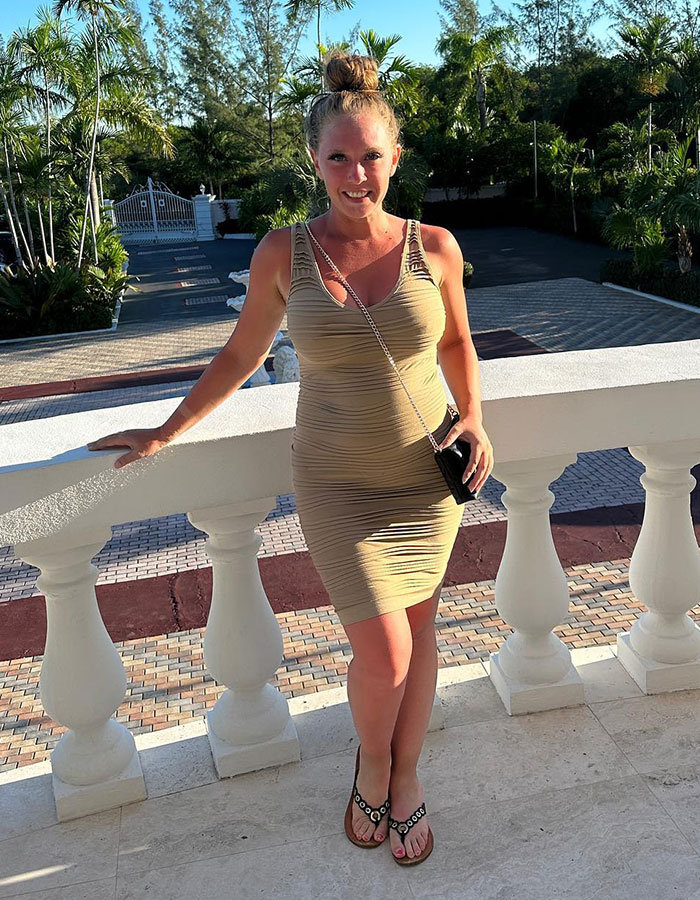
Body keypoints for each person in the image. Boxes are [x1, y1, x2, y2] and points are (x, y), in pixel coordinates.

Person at [87, 49, 494, 866]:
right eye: (338, 156)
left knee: (420, 637)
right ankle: (370, 763)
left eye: (370, 156)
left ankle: (406, 777)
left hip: (424, 479)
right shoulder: (285, 253)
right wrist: (168, 431)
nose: (355, 173)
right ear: (314, 160)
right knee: (385, 654)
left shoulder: (436, 248)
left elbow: (455, 343)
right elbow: (238, 357)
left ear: (395, 158)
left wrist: (477, 417)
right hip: (339, 484)